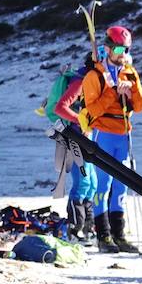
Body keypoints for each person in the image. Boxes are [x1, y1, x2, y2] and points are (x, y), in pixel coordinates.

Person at [80, 25, 142, 253]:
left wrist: (132, 91)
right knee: (102, 184)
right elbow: (93, 109)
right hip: (103, 133)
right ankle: (103, 235)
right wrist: (114, 92)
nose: (122, 53)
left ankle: (119, 235)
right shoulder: (95, 76)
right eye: (118, 48)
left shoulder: (130, 72)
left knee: (122, 185)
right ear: (107, 48)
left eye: (126, 49)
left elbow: (140, 105)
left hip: (124, 134)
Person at [42, 60, 97, 241]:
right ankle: (75, 228)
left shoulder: (90, 81)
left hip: (83, 136)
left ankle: (88, 228)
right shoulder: (79, 83)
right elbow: (60, 108)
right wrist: (80, 121)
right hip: (73, 136)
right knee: (82, 183)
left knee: (92, 184)